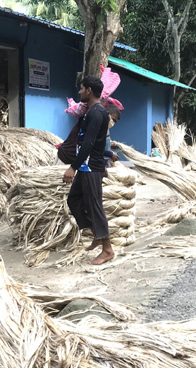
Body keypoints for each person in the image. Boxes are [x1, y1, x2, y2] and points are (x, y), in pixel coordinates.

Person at [63, 76, 114, 265]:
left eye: (82, 89)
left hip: (90, 167)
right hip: (88, 165)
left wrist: (72, 167)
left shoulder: (97, 113)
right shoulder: (91, 112)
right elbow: (96, 143)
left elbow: (89, 143)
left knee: (95, 206)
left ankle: (107, 250)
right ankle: (97, 233)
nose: (79, 92)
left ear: (89, 91)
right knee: (74, 199)